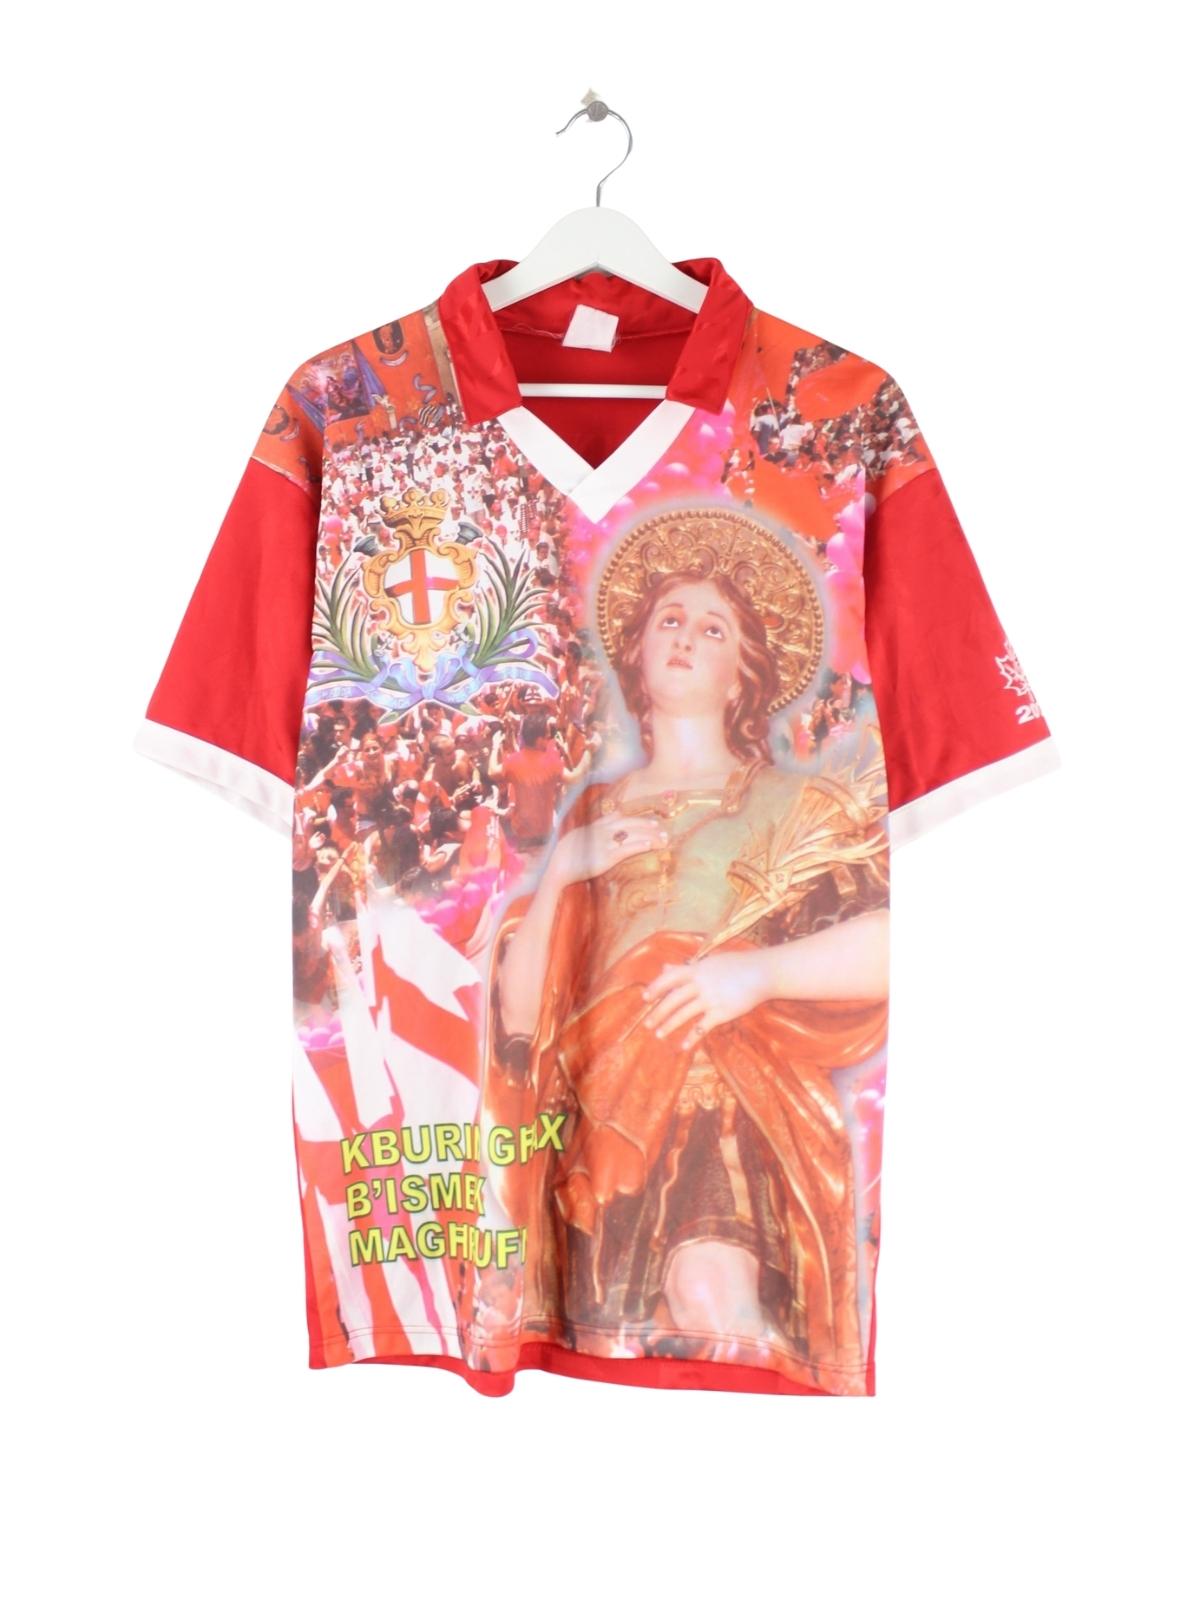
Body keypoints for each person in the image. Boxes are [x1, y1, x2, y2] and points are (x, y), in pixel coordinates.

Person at [478, 507, 890, 1392]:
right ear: (636, 654)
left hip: (728, 1098)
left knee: (711, 1296)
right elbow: (520, 1019)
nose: (684, 636)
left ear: (743, 676)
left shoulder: (795, 806)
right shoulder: (594, 813)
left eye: (713, 629)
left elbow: (891, 945)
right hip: (599, 1123)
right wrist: (563, 874)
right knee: (627, 1337)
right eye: (669, 618)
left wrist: (755, 974)